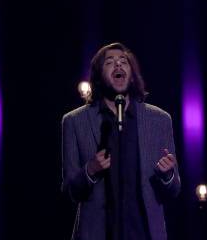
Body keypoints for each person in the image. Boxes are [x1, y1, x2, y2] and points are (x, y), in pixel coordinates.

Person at [62, 42, 180, 240]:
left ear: (132, 75)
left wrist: (167, 175)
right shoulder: (74, 121)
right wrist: (90, 170)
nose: (118, 65)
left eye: (123, 61)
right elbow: (70, 190)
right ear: (98, 76)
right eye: (109, 62)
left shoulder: (160, 120)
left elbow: (174, 189)